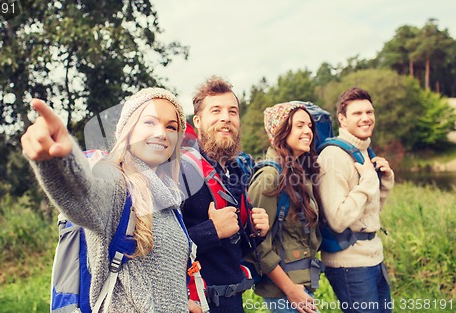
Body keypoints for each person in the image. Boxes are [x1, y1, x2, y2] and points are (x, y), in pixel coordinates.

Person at [21, 88, 192, 312]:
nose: (161, 133)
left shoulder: (168, 198)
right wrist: (60, 159)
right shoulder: (117, 182)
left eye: (171, 126)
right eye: (149, 122)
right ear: (128, 131)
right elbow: (86, 193)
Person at [180, 76, 270, 313]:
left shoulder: (235, 170)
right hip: (196, 304)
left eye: (233, 112)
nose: (226, 118)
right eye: (216, 111)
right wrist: (212, 231)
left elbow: (234, 248)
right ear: (197, 121)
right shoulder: (180, 170)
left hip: (232, 301)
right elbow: (157, 248)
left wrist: (255, 231)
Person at [317, 87, 395, 313]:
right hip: (350, 264)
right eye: (357, 113)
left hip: (373, 256)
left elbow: (370, 212)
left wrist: (385, 181)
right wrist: (368, 183)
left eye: (369, 112)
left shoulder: (364, 152)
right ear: (342, 119)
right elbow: (338, 219)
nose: (366, 118)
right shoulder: (333, 157)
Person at [245, 102, 322, 313]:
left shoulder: (298, 173)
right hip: (285, 291)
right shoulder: (269, 177)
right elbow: (257, 244)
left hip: (301, 283)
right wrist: (291, 290)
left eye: (309, 126)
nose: (308, 131)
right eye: (299, 126)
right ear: (281, 131)